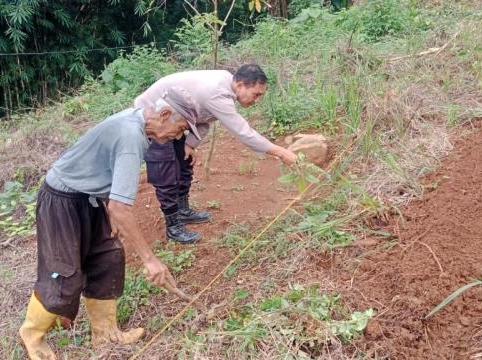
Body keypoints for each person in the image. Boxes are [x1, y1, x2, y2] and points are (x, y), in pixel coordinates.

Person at [19, 86, 201, 360]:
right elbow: (122, 208)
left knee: (108, 258)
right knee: (64, 273)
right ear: (164, 114)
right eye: (181, 127)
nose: (180, 135)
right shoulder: (131, 137)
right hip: (62, 200)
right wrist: (150, 259)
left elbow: (102, 168)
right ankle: (32, 336)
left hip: (89, 198)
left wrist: (105, 206)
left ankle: (105, 333)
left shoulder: (137, 124)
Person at [134, 64, 297, 244]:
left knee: (185, 162)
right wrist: (281, 152)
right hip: (155, 118)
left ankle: (183, 211)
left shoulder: (225, 85)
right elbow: (243, 132)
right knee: (165, 171)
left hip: (177, 118)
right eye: (256, 94)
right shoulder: (217, 93)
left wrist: (190, 144)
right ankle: (173, 226)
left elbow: (203, 119)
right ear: (241, 85)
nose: (256, 100)